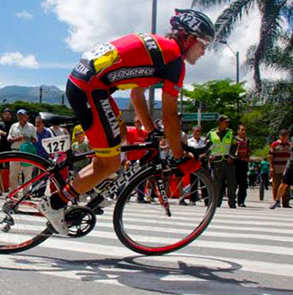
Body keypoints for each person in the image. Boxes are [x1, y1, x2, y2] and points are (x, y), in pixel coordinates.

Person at [38, 8, 215, 234]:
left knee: (120, 134)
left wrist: (151, 130)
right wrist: (179, 155)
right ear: (189, 38)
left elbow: (136, 95)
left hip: (89, 85)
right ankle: (55, 203)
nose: (203, 52)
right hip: (92, 90)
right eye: (204, 45)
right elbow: (170, 116)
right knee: (108, 163)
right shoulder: (173, 61)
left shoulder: (158, 47)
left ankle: (100, 185)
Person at [206, 115, 237, 208]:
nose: (227, 124)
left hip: (228, 160)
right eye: (225, 122)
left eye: (228, 122)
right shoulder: (211, 133)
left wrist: (232, 156)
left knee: (232, 183)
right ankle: (217, 202)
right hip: (217, 161)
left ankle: (232, 203)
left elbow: (234, 145)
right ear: (220, 122)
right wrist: (209, 155)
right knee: (217, 183)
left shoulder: (231, 132)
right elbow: (206, 146)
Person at [7, 109, 37, 197]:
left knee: (27, 175)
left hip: (27, 152)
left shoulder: (31, 127)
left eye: (22, 115)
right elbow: (9, 138)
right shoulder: (14, 126)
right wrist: (16, 139)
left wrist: (27, 138)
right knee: (13, 174)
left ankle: (26, 194)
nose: (20, 117)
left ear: (26, 116)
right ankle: (13, 193)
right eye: (19, 115)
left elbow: (35, 140)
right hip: (16, 151)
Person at [126, 117, 148, 202]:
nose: (139, 123)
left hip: (142, 159)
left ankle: (140, 197)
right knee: (131, 179)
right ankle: (126, 196)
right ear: (134, 123)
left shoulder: (144, 133)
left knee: (142, 178)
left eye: (140, 121)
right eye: (137, 122)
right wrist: (127, 159)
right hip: (133, 159)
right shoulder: (131, 132)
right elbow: (128, 146)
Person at [269, 129, 291, 208]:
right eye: (283, 135)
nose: (285, 137)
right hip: (277, 168)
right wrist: (271, 167)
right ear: (280, 136)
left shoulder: (290, 145)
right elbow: (270, 156)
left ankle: (286, 203)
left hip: (287, 168)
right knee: (276, 185)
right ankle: (276, 201)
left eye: (286, 135)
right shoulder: (275, 144)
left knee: (286, 186)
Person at [187, 125, 208, 205]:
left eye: (199, 131)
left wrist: (201, 156)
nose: (197, 133)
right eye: (195, 131)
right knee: (193, 182)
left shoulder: (203, 142)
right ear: (193, 132)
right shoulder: (189, 141)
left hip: (202, 163)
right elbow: (187, 151)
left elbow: (206, 152)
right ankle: (192, 200)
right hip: (193, 162)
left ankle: (206, 200)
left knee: (204, 182)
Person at [235, 124, 252, 207]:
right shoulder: (234, 139)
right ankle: (232, 199)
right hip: (235, 163)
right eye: (242, 130)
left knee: (243, 183)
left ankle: (241, 201)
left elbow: (249, 150)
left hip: (244, 163)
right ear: (238, 131)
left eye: (245, 130)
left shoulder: (247, 140)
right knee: (233, 182)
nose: (244, 132)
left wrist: (248, 156)